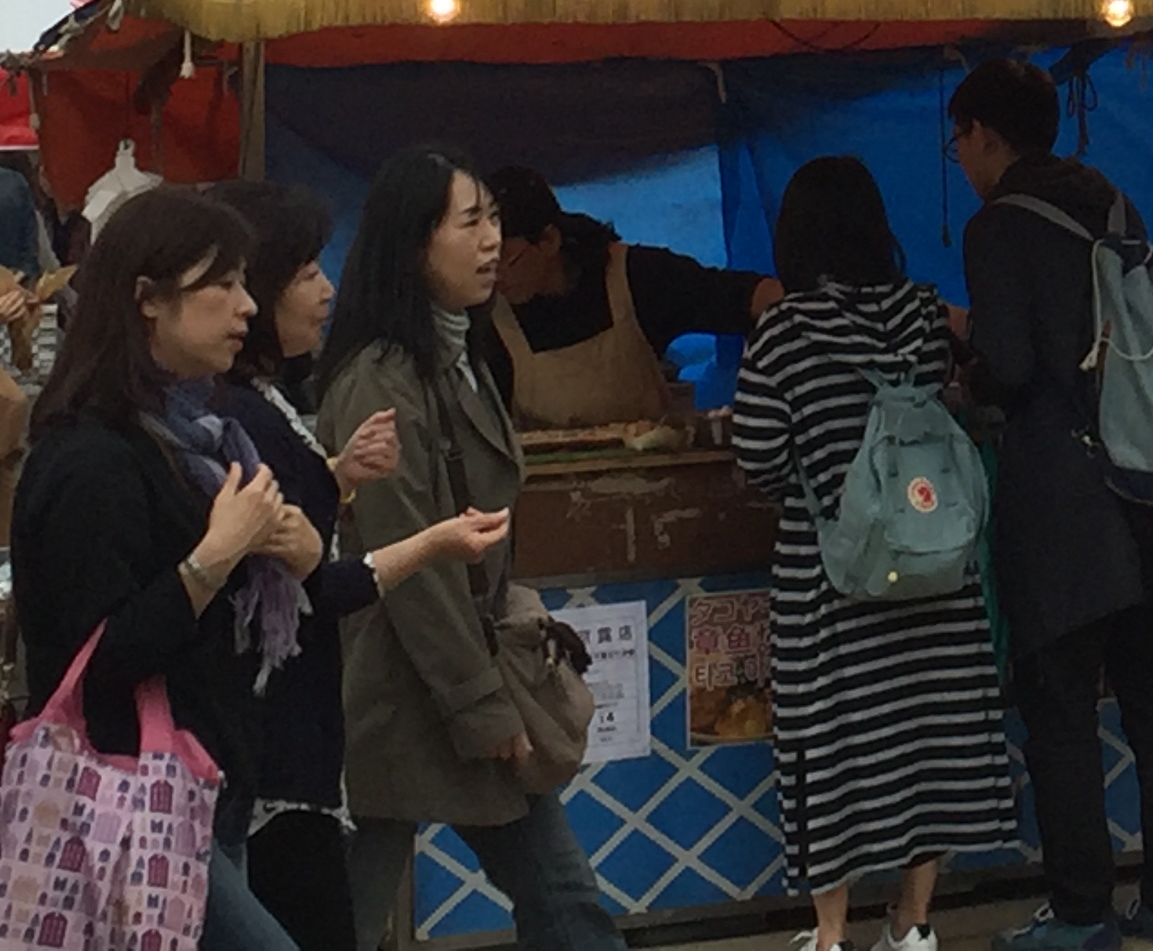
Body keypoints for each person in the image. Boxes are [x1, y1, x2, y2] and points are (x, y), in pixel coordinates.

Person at [320, 148, 628, 951]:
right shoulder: (383, 375)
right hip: (401, 686)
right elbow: (405, 557)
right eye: (471, 222)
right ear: (417, 243)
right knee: (350, 911)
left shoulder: (460, 352)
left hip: (460, 672)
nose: (492, 240)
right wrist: (477, 700)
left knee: (563, 895)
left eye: (494, 218)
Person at [13, 185, 324, 951]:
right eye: (221, 285)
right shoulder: (93, 456)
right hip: (123, 788)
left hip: (203, 778)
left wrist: (288, 548)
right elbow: (94, 657)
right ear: (148, 300)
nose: (246, 306)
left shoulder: (196, 439)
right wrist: (216, 554)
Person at [949, 56, 1153, 950]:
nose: (959, 157)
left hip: (1063, 503)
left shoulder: (999, 228)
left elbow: (1014, 370)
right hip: (1152, 488)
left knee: (1060, 713)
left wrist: (970, 350)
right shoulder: (1112, 203)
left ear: (985, 135)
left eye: (960, 140)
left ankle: (1081, 912)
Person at [214, 179, 510, 951]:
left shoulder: (261, 402)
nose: (325, 289)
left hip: (303, 743)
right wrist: (434, 542)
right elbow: (316, 584)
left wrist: (337, 474)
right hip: (281, 747)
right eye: (306, 272)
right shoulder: (245, 415)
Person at [734, 157, 1015, 951]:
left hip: (833, 579)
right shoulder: (924, 313)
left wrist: (819, 482)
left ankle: (830, 935)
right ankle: (914, 923)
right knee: (929, 741)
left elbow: (757, 451)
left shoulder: (785, 330)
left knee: (834, 752)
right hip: (938, 570)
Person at [486, 165, 776, 430]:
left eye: (507, 260)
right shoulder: (485, 316)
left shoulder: (638, 277)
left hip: (654, 480)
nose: (496, 278)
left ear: (549, 240)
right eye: (484, 263)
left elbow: (750, 296)